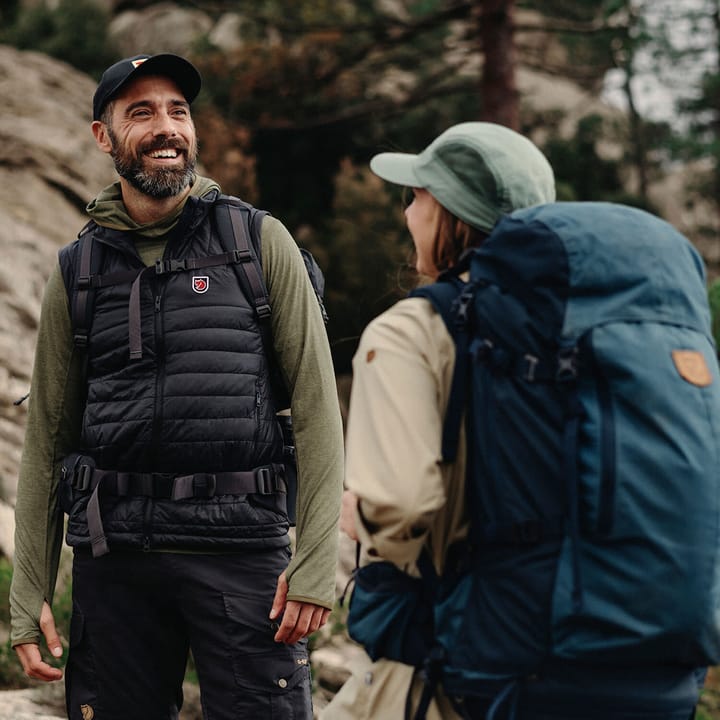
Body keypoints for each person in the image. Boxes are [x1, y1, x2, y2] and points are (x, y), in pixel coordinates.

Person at [321, 122, 702, 720]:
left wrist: (357, 512)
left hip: (479, 663)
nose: (406, 212)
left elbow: (400, 505)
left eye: (415, 195)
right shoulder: (601, 335)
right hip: (642, 667)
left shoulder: (409, 331)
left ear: (448, 211)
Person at [10, 53, 344, 720]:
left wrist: (314, 564)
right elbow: (47, 436)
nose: (167, 128)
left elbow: (316, 408)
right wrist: (28, 594)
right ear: (103, 137)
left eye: (178, 111)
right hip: (115, 562)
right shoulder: (76, 270)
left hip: (243, 555)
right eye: (142, 113)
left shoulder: (259, 242)